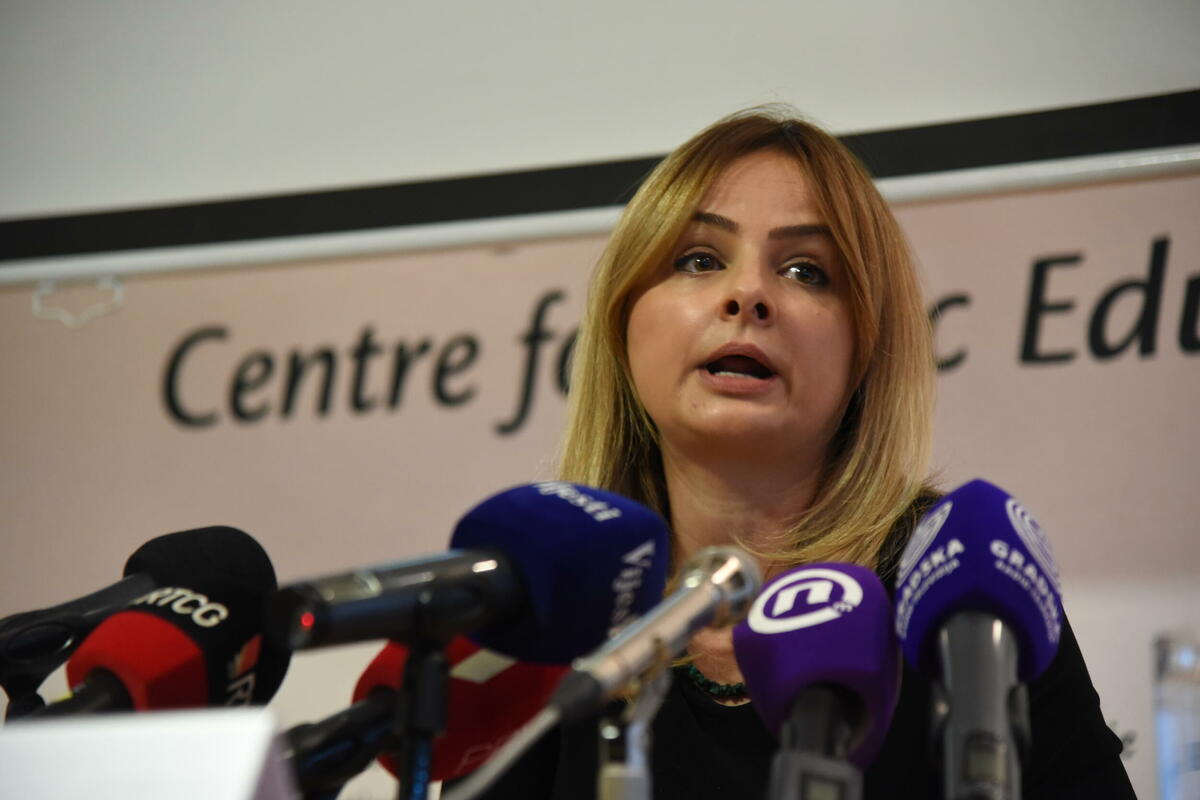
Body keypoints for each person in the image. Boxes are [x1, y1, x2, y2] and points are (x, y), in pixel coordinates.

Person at [477, 107, 1134, 798]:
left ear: (865, 348)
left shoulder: (961, 597)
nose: (747, 294)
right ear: (622, 319)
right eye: (699, 259)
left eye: (805, 270)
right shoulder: (549, 611)